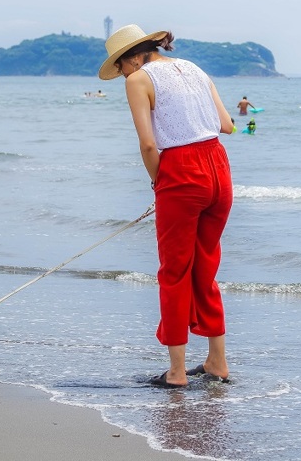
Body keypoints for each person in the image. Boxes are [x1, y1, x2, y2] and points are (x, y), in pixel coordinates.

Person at [99, 24, 235, 388]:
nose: (124, 74)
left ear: (132, 56)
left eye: (121, 66)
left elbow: (148, 146)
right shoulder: (194, 68)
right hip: (219, 168)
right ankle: (217, 363)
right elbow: (228, 125)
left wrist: (160, 182)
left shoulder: (139, 79)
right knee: (206, 266)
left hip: (182, 170)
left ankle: (176, 372)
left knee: (174, 272)